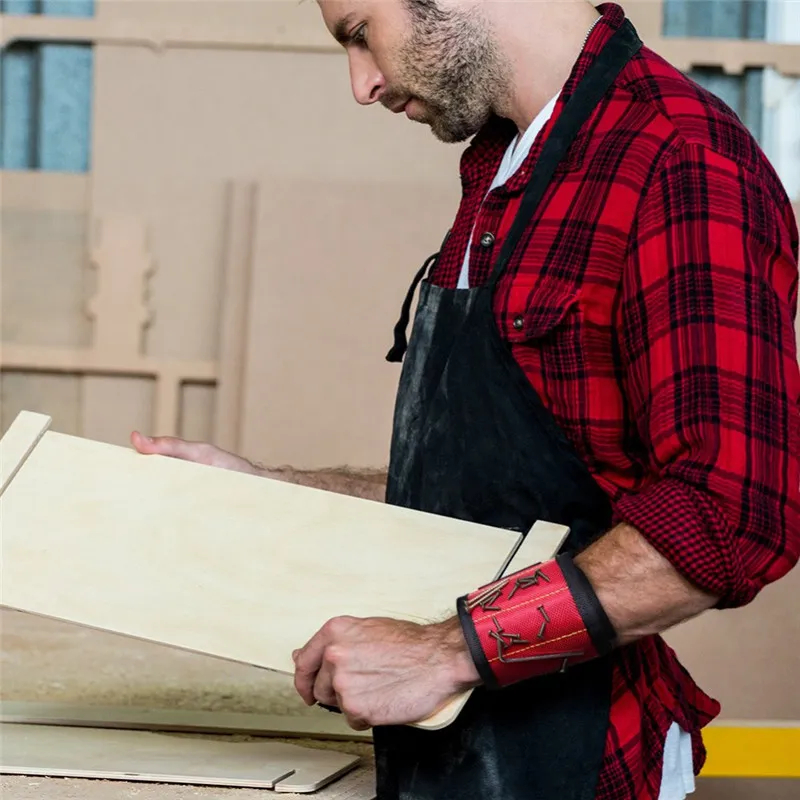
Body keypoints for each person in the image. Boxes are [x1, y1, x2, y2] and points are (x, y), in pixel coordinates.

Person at [131, 1, 800, 798]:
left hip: (581, 760)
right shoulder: (505, 165)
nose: (363, 81)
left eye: (358, 32)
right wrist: (269, 490)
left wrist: (443, 652)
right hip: (448, 754)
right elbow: (494, 497)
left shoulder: (679, 157)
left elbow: (727, 515)